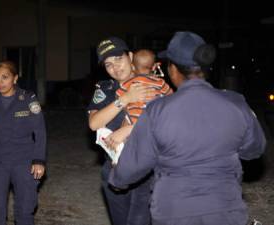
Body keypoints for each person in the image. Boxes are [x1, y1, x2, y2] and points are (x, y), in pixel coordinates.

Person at [108, 31, 267, 225]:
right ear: (207, 68)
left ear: (173, 69)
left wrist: (117, 180)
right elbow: (254, 150)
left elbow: (135, 164)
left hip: (174, 212)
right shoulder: (236, 103)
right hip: (225, 210)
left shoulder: (157, 110)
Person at [88, 37, 156, 225]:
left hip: (148, 169)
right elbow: (94, 123)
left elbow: (165, 122)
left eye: (119, 59)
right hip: (114, 167)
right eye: (108, 64)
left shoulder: (150, 83)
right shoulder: (105, 88)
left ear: (131, 56)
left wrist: (130, 129)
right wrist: (125, 99)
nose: (115, 67)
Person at [0, 60, 46, 225]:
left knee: (25, 208)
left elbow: (40, 132)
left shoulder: (28, 99)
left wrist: (39, 160)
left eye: (5, 77)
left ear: (15, 78)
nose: (0, 82)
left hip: (24, 161)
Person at [116, 49, 173, 125]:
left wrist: (124, 107)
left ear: (132, 67)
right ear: (153, 67)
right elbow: (171, 95)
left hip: (134, 120)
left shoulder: (129, 83)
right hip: (156, 119)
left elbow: (118, 96)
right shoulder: (160, 82)